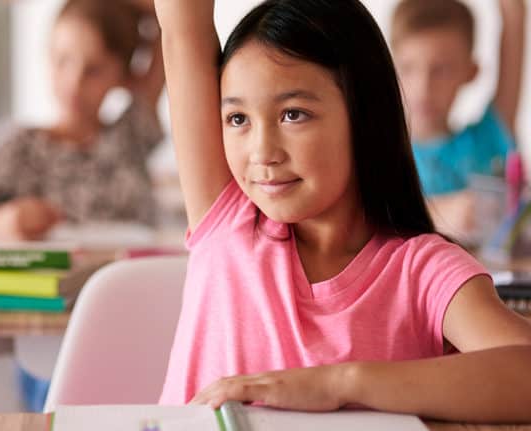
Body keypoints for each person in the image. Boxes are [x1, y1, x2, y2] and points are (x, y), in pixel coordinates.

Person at [155, 0, 531, 422]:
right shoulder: (226, 217)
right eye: (238, 118)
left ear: (363, 115)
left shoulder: (421, 270)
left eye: (293, 114)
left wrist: (339, 384)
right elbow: (181, 22)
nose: (262, 152)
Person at [0, 0, 165, 241]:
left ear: (123, 74)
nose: (74, 82)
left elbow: (175, 14)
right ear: (47, 55)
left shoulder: (131, 132)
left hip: (130, 278)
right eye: (62, 60)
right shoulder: (21, 146)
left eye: (94, 69)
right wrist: (0, 222)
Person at [391, 0, 526, 236]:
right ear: (389, 68)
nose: (424, 87)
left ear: (471, 72)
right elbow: (363, 220)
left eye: (441, 70)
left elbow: (515, 16)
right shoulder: (376, 152)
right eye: (408, 67)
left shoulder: (488, 138)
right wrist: (438, 214)